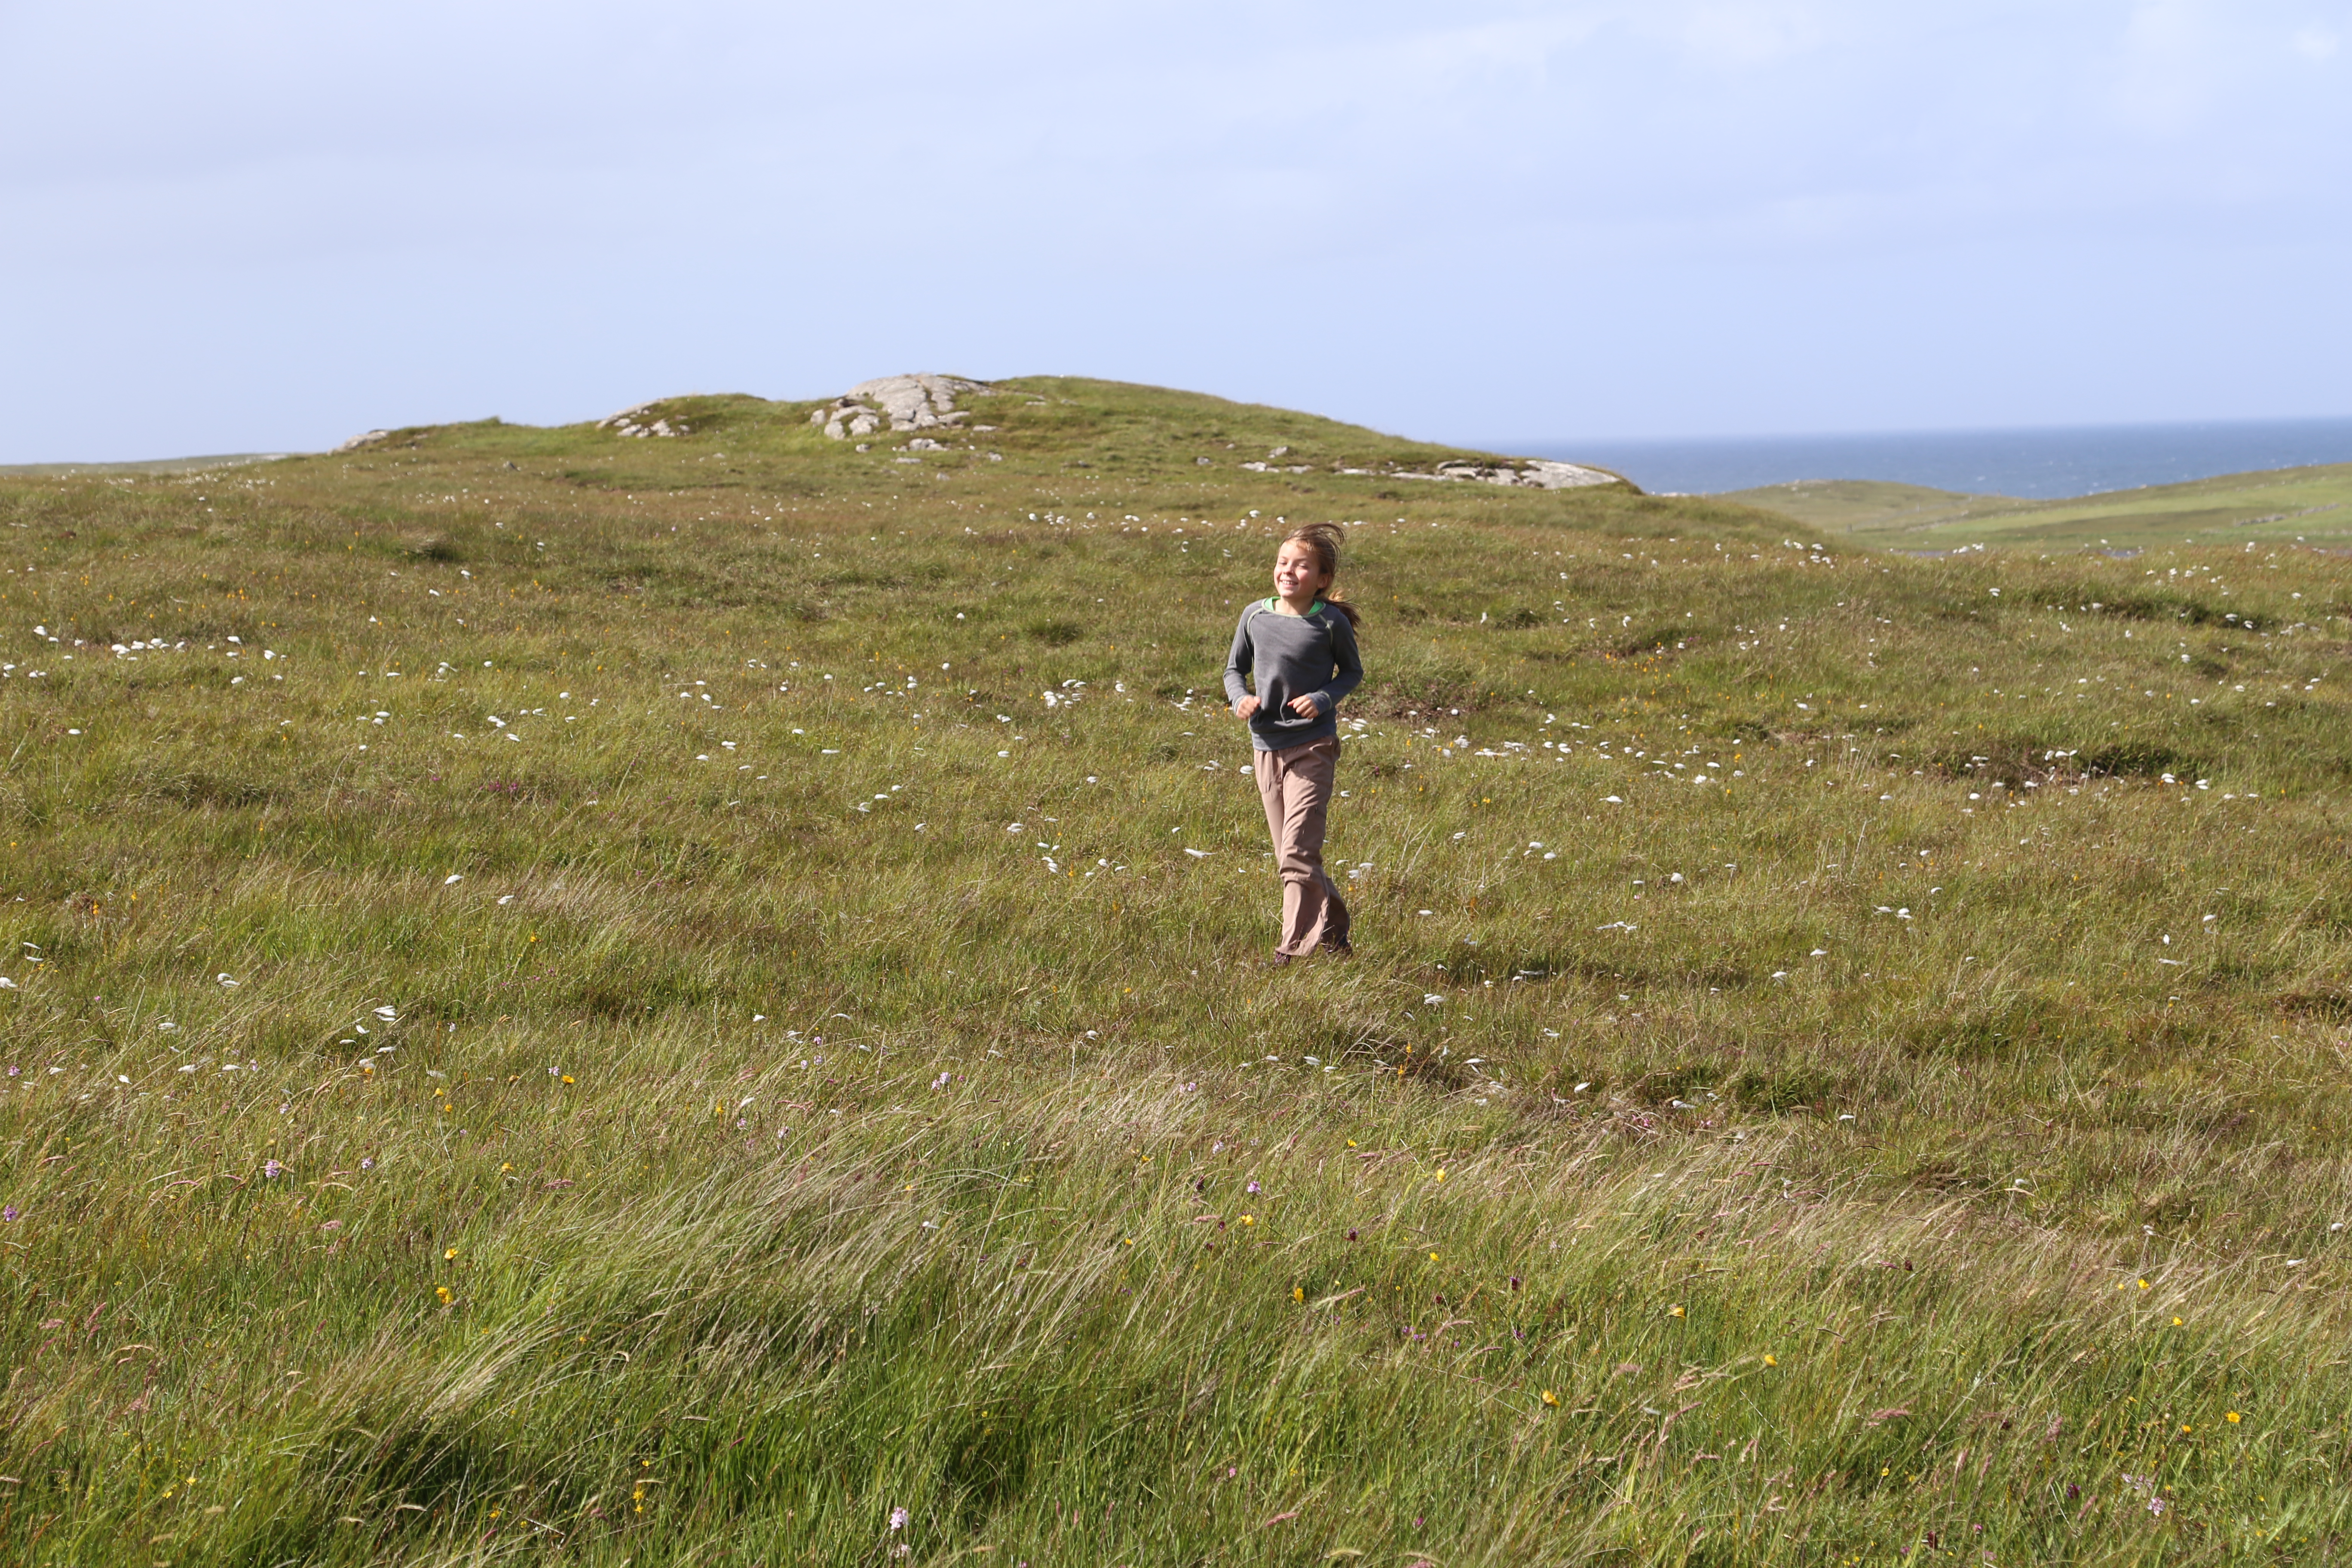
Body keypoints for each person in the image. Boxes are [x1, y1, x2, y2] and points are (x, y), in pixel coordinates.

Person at [1223, 522, 1364, 965]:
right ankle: (1336, 936)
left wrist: (1323, 698)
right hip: (1265, 746)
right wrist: (1240, 699)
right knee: (1293, 855)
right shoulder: (1254, 616)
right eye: (1283, 563)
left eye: (1302, 566)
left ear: (1323, 579)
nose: (1289, 571)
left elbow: (1353, 673)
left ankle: (1290, 952)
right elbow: (1233, 670)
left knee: (1298, 853)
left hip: (1313, 747)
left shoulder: (1330, 622)